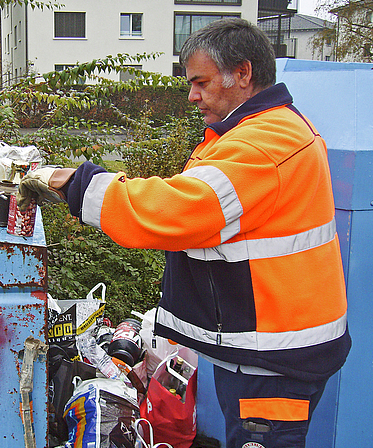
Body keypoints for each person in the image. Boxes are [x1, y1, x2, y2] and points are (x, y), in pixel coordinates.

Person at [17, 17, 351, 448]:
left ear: (243, 73)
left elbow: (177, 210)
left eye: (200, 82)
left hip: (274, 361)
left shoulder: (263, 146)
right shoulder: (262, 131)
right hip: (271, 346)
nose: (192, 95)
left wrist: (77, 184)